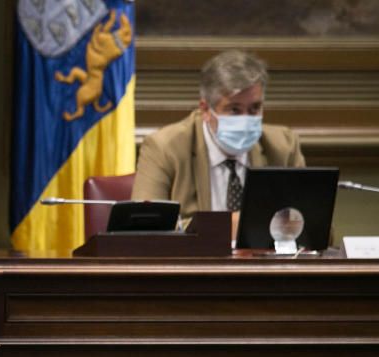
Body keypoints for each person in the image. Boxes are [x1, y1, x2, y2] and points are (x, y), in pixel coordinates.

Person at [131, 49, 305, 234]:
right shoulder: (164, 147)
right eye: (234, 110)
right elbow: (145, 229)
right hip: (195, 261)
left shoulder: (283, 146)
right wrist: (229, 225)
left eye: (255, 108)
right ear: (205, 110)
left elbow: (317, 228)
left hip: (262, 261)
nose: (246, 119)